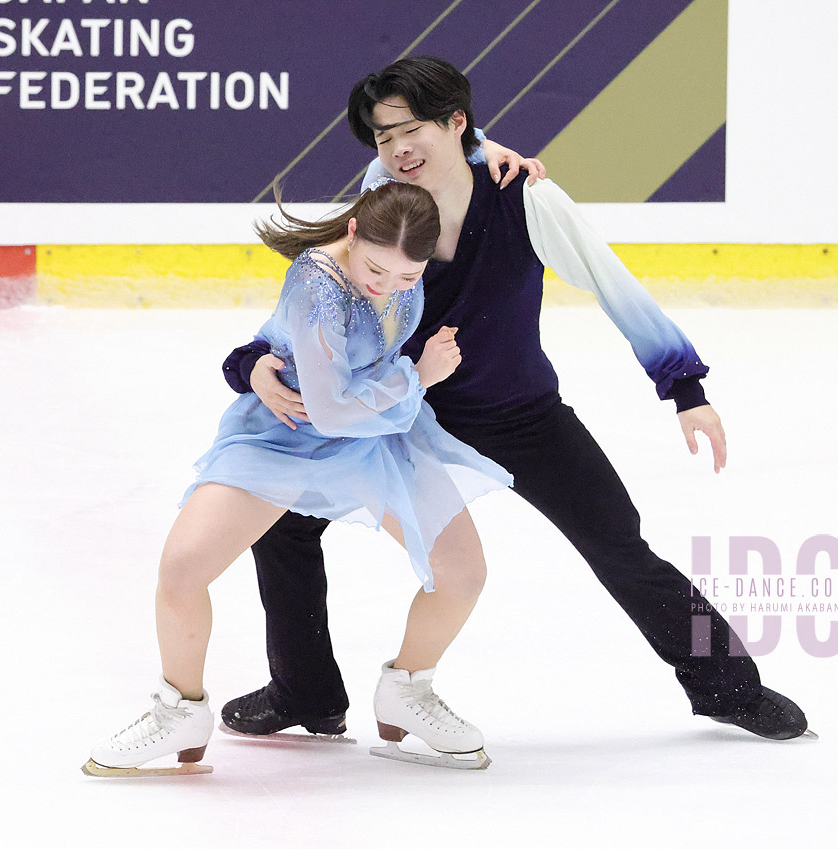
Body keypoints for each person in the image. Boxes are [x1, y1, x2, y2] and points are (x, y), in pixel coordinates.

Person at [221, 56, 811, 743]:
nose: (397, 149)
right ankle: (307, 689)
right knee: (285, 522)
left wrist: (685, 387)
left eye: (411, 130)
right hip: (409, 412)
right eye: (383, 138)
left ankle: (731, 688)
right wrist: (254, 362)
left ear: (457, 123)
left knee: (619, 541)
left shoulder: (526, 197)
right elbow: (320, 297)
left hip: (519, 412)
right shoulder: (384, 196)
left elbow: (613, 283)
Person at [83, 179, 515, 777]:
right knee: (183, 569)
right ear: (353, 231)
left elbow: (438, 140)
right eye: (375, 270)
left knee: (462, 573)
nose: (385, 286)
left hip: (378, 429)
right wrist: (419, 377)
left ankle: (407, 691)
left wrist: (490, 149)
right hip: (288, 434)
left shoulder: (398, 240)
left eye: (406, 278)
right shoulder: (316, 281)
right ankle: (178, 710)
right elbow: (329, 407)